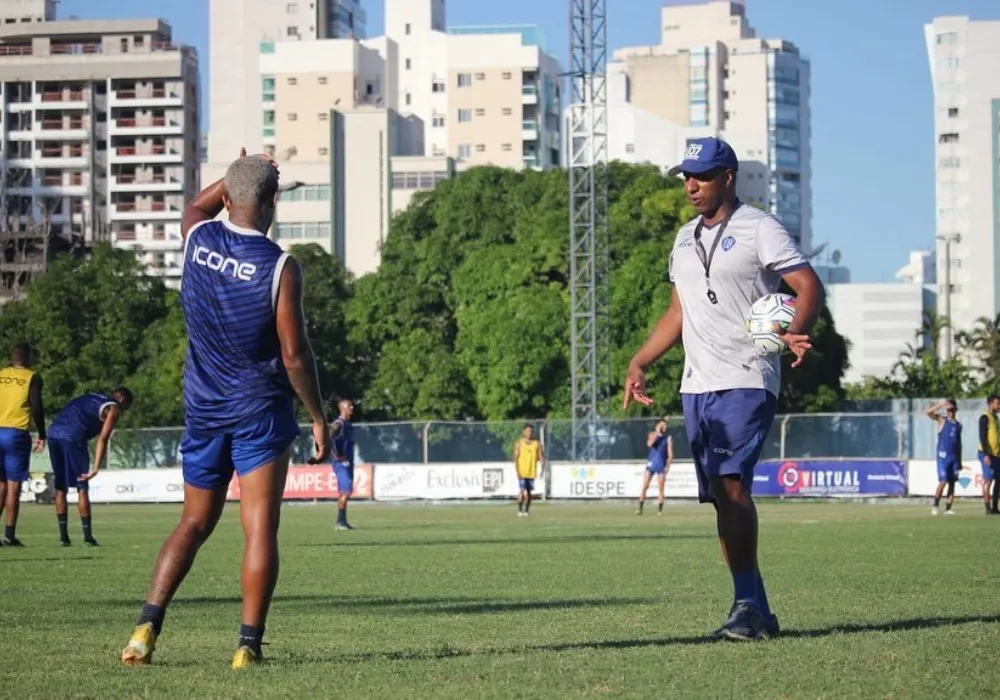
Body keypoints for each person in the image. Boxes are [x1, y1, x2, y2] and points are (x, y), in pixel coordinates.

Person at [121, 149, 330, 669]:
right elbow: (294, 354)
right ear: (274, 201)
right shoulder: (280, 266)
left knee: (193, 522)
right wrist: (319, 415)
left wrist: (242, 170)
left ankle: (146, 628)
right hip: (259, 411)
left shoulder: (199, 238)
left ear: (229, 196)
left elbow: (198, 204)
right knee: (259, 528)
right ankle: (247, 648)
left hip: (203, 409)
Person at [622, 137, 823, 641]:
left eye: (703, 176)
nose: (691, 185)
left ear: (728, 177)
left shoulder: (760, 228)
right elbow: (678, 312)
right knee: (721, 495)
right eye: (686, 176)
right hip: (698, 385)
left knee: (732, 486)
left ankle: (747, 607)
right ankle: (755, 609)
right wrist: (640, 361)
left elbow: (808, 285)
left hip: (748, 376)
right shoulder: (683, 238)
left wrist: (797, 329)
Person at [48, 387, 133, 547]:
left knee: (61, 487)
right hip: (73, 436)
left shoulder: (94, 397)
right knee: (82, 486)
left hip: (53, 433)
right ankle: (87, 537)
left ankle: (63, 538)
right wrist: (95, 467)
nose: (123, 412)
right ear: (122, 400)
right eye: (126, 408)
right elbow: (103, 438)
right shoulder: (113, 407)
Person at [0, 343, 46, 546]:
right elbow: (36, 407)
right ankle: (9, 535)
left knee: (0, 485)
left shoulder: (1, 374)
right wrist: (42, 433)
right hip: (15, 433)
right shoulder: (31, 377)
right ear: (28, 358)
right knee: (13, 486)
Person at [926, 399, 962, 516]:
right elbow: (928, 413)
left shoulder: (958, 425)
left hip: (954, 458)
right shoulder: (942, 420)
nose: (950, 412)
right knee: (943, 481)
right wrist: (940, 405)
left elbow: (959, 443)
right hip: (943, 457)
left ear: (956, 410)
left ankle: (948, 508)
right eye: (948, 410)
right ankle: (935, 505)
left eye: (951, 410)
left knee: (952, 483)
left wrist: (960, 460)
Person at [637, 418, 673, 516]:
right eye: (662, 425)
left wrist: (668, 465)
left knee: (661, 488)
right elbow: (650, 444)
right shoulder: (652, 434)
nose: (664, 427)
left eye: (665, 425)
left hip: (661, 464)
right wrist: (657, 433)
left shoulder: (668, 438)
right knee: (645, 485)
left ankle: (660, 509)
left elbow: (670, 454)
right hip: (651, 463)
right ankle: (640, 508)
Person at [331, 399, 356, 530]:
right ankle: (340, 522)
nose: (352, 407)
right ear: (342, 408)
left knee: (346, 491)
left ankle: (342, 520)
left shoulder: (348, 425)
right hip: (341, 463)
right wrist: (336, 455)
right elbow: (329, 438)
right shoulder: (338, 424)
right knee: (346, 491)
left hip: (349, 462)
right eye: (349, 406)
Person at [513, 425, 543, 517]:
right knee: (522, 490)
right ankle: (519, 509)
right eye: (528, 431)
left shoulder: (536, 444)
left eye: (531, 431)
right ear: (524, 432)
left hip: (531, 472)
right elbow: (515, 458)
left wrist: (542, 469)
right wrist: (517, 470)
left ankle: (526, 510)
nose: (530, 433)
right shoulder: (519, 443)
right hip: (522, 471)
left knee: (529, 492)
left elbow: (541, 456)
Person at [979, 394, 1000, 515]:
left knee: (999, 480)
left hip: (996, 455)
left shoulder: (996, 418)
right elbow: (982, 437)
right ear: (991, 404)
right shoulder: (984, 417)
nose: (999, 406)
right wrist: (986, 454)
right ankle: (988, 509)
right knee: (988, 480)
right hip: (986, 454)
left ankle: (995, 507)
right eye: (998, 404)